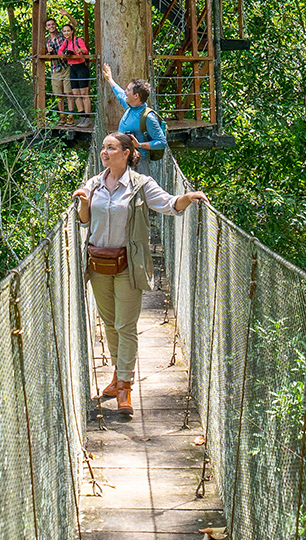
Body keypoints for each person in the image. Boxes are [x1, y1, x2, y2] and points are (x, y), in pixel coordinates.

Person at [72, 131, 207, 412]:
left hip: (128, 264)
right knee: (110, 323)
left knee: (125, 325)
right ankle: (117, 373)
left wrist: (188, 197)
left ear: (125, 153)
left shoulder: (141, 184)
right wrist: (84, 203)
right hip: (99, 264)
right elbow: (84, 222)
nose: (104, 152)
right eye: (103, 147)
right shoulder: (94, 184)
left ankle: (124, 387)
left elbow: (169, 204)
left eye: (111, 148)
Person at [97, 61, 168, 160]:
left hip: (139, 163)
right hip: (123, 160)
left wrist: (139, 145)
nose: (125, 92)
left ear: (136, 96)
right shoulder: (130, 107)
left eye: (128, 90)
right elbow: (120, 94)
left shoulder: (148, 117)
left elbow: (162, 143)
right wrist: (110, 79)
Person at [61, 23, 92, 118]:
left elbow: (85, 51)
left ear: (72, 31)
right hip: (72, 68)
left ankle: (87, 117)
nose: (66, 33)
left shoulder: (78, 40)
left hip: (81, 67)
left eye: (68, 31)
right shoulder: (66, 42)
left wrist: (80, 51)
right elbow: (60, 51)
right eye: (64, 31)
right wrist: (65, 54)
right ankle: (82, 116)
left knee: (84, 93)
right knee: (76, 94)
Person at [44, 16, 68, 123]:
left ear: (56, 25)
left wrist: (66, 14)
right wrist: (48, 52)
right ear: (46, 28)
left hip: (66, 66)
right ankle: (62, 116)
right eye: (49, 25)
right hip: (54, 68)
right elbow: (45, 56)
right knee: (58, 94)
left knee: (69, 93)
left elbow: (74, 25)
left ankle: (71, 115)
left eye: (53, 24)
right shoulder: (46, 40)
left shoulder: (62, 36)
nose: (51, 26)